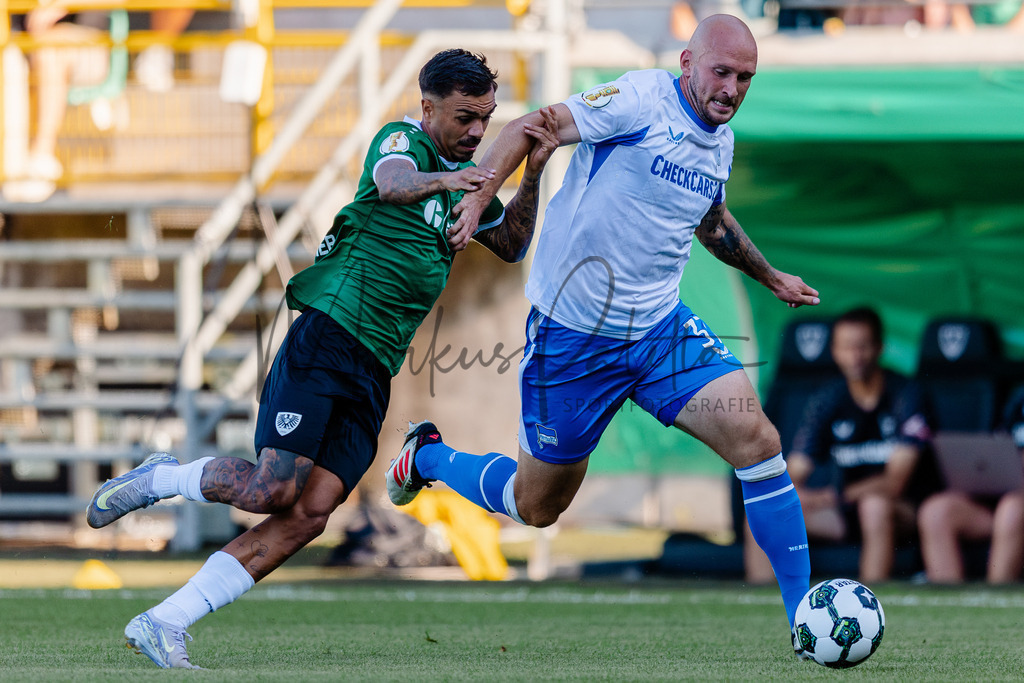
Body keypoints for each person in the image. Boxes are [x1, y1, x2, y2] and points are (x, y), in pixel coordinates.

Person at [84, 48, 560, 669]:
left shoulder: (466, 179)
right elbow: (392, 185)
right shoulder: (405, 143)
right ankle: (161, 477)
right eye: (466, 116)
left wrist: (531, 175)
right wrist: (455, 180)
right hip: (329, 334)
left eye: (486, 118)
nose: (477, 132)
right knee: (271, 488)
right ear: (428, 107)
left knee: (310, 515)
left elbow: (513, 244)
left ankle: (165, 621)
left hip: (376, 366)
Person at [386, 14, 821, 650]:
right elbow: (532, 125)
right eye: (721, 72)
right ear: (685, 63)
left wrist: (769, 275)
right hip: (574, 335)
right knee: (537, 507)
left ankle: (803, 616)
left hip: (658, 329)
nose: (732, 88)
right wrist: (479, 197)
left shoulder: (718, 140)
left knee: (757, 440)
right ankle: (424, 456)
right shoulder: (639, 99)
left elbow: (713, 221)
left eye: (745, 77)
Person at [766, 307, 933, 584]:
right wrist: (799, 497)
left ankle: (867, 606)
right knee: (768, 516)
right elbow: (794, 473)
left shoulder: (906, 394)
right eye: (846, 347)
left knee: (874, 506)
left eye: (862, 347)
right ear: (833, 351)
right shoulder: (827, 400)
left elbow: (895, 483)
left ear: (880, 347)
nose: (855, 356)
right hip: (844, 511)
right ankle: (766, 607)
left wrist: (835, 495)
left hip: (903, 510)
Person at [916, 387, 1024, 584]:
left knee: (1012, 509)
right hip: (1000, 500)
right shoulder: (1019, 399)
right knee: (937, 510)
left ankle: (994, 599)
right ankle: (948, 604)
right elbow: (1000, 446)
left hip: (1016, 509)